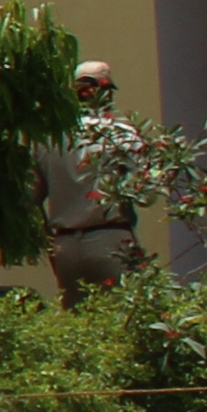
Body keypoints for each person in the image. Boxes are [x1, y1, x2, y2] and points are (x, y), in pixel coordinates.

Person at [43, 58, 147, 297]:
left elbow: (31, 195)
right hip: (110, 237)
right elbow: (144, 194)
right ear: (106, 91)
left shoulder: (49, 138)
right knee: (125, 315)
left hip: (65, 244)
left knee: (77, 321)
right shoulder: (122, 135)